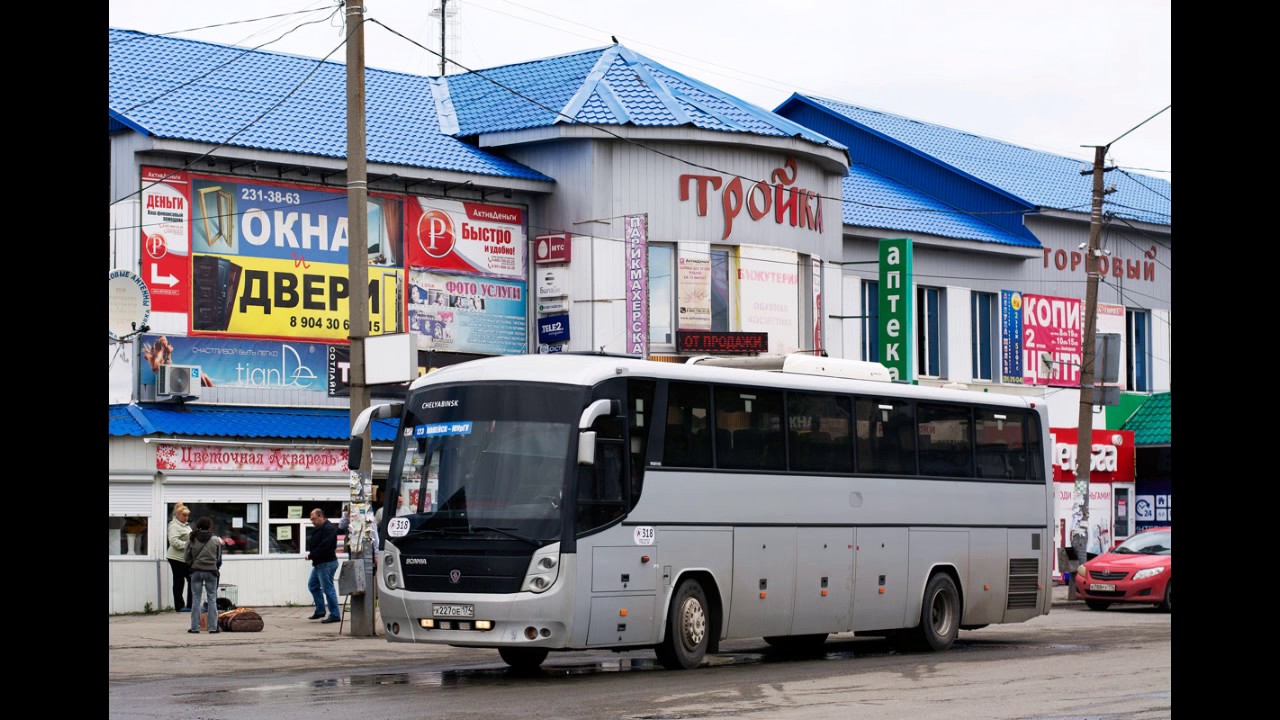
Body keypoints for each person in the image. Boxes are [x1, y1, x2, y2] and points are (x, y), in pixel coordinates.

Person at [183, 516, 223, 634]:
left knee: (196, 599)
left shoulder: (192, 538)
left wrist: (193, 565)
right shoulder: (215, 540)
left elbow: (186, 557)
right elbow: (219, 557)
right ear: (210, 526)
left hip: (196, 571)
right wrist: (214, 566)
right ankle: (212, 627)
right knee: (212, 599)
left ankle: (195, 628)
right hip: (211, 572)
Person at [305, 508, 341, 623]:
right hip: (319, 563)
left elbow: (325, 547)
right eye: (311, 519)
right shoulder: (319, 528)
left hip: (327, 563)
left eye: (313, 519)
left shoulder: (329, 529)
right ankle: (320, 610)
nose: (312, 522)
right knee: (313, 585)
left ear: (321, 516)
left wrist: (311, 555)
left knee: (328, 589)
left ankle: (335, 614)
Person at [165, 503, 193, 612]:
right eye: (184, 515)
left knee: (189, 580)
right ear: (177, 515)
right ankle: (180, 606)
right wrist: (189, 545)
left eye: (187, 515)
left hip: (184, 558)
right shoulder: (174, 526)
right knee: (179, 581)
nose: (186, 518)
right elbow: (174, 541)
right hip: (176, 558)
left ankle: (189, 605)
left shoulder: (184, 525)